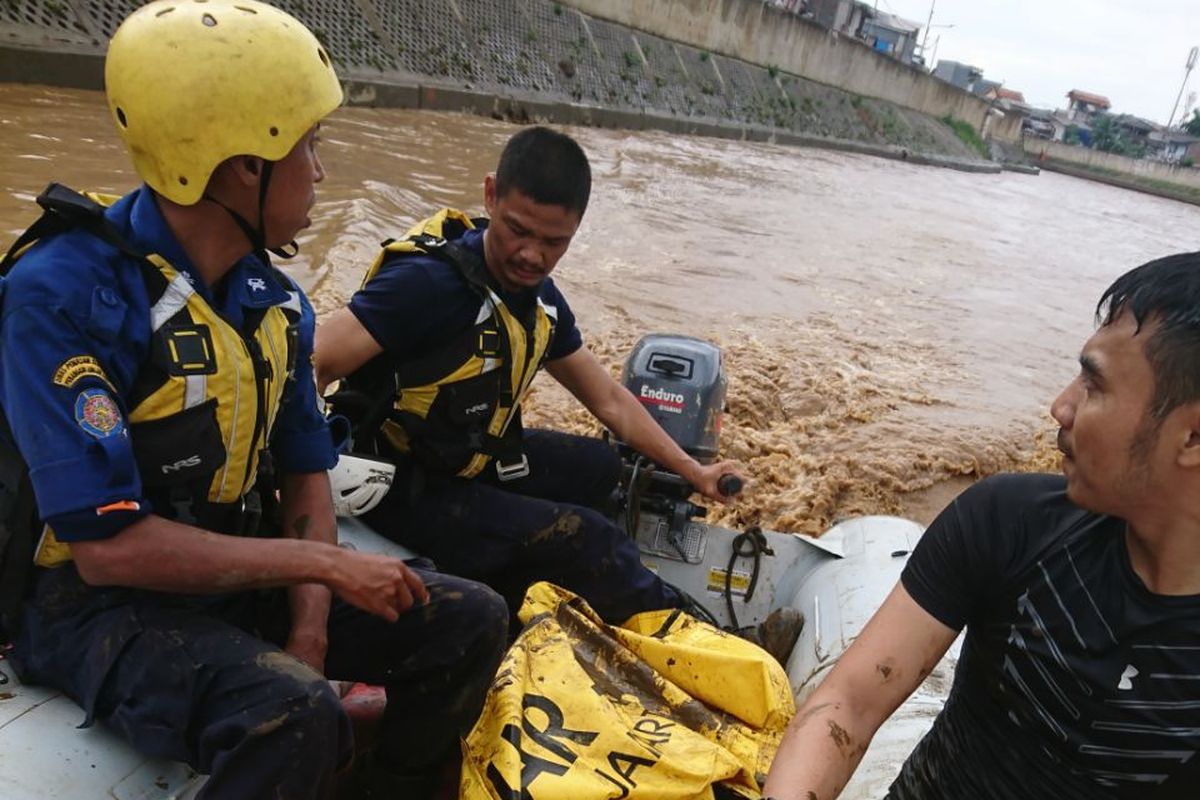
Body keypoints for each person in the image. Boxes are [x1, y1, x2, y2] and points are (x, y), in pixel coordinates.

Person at [0, 2, 507, 797]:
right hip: (94, 610)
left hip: (232, 573)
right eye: (310, 145)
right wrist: (323, 568)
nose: (322, 170)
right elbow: (107, 550)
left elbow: (305, 471)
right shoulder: (63, 295)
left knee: (468, 620)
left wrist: (310, 626)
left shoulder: (274, 303)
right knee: (295, 714)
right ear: (243, 166)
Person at [762, 251, 1200, 800]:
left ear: (1193, 437)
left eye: (1095, 385)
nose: (1060, 406)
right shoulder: (1010, 523)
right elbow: (847, 704)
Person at [314, 126, 743, 624]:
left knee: (601, 466)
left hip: (463, 459)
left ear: (576, 229)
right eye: (518, 230)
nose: (532, 255)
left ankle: (559, 586)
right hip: (394, 484)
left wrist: (696, 473)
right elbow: (315, 360)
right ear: (491, 194)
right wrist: (302, 478)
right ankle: (689, 630)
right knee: (583, 533)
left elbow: (609, 400)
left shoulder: (538, 300)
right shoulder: (426, 284)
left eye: (553, 241)